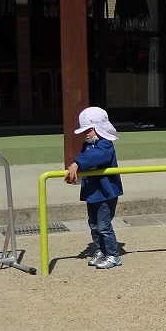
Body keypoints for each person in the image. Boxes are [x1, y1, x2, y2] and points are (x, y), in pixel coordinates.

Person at [64, 106, 124, 269]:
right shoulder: (87, 146)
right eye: (84, 131)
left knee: (104, 225)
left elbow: (98, 156)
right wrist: (76, 172)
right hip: (92, 192)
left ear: (100, 128)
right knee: (94, 224)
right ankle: (99, 251)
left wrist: (77, 163)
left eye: (89, 130)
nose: (87, 134)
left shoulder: (106, 145)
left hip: (106, 192)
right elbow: (86, 158)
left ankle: (113, 255)